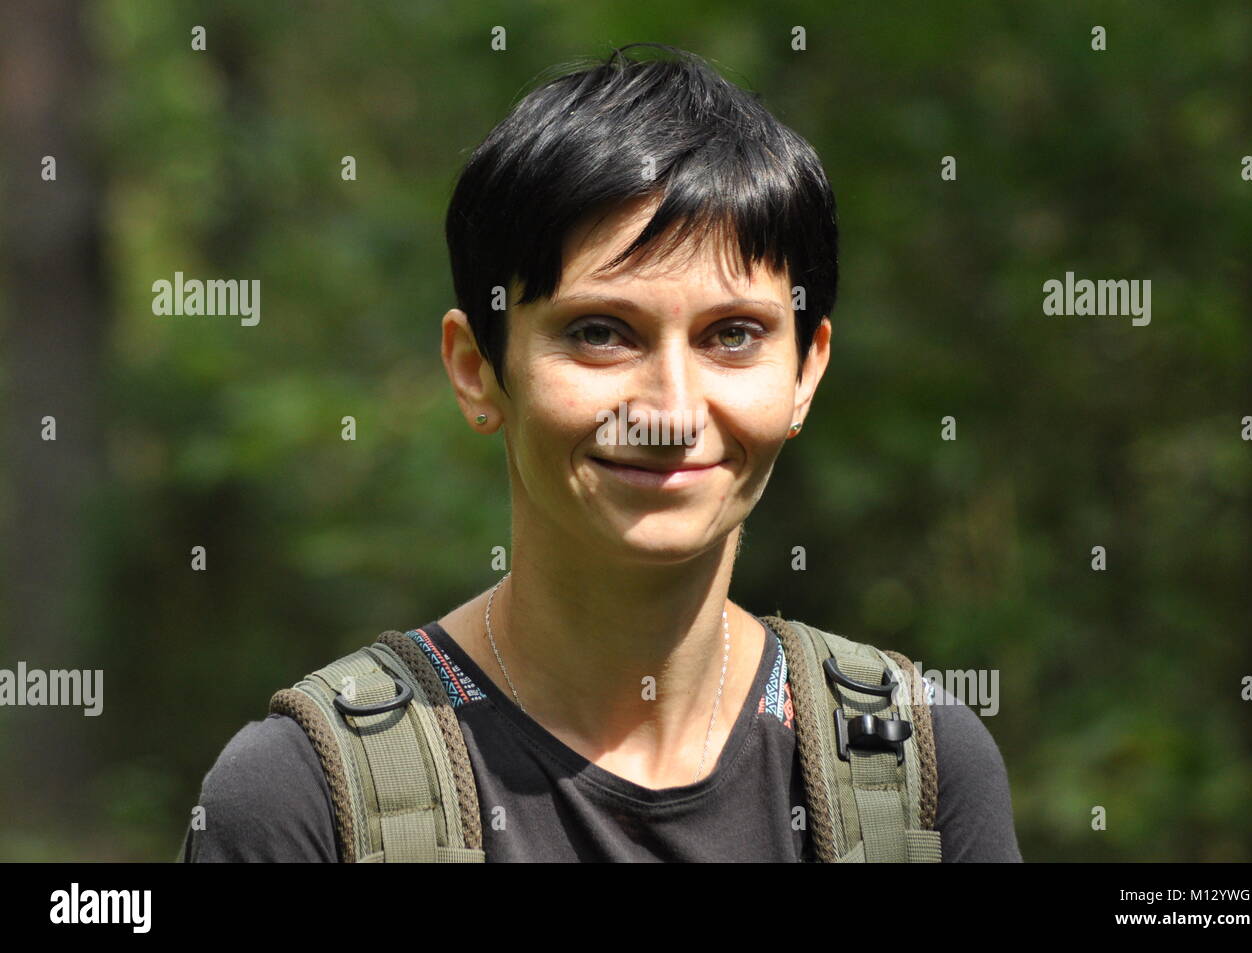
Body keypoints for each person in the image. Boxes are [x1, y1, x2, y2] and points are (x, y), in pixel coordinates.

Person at [181, 42, 1021, 863]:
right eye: (599, 333)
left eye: (733, 336)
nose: (671, 410)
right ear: (477, 371)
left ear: (806, 372)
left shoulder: (917, 769)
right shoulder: (303, 799)